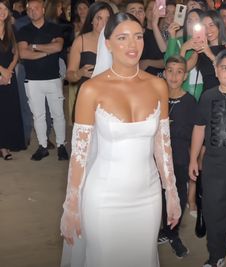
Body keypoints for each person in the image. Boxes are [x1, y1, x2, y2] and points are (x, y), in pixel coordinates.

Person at [60, 12, 181, 267]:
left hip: (147, 197)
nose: (133, 45)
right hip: (104, 198)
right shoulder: (91, 90)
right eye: (123, 38)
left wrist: (171, 192)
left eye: (138, 37)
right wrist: (71, 205)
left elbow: (163, 145)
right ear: (108, 44)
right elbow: (80, 154)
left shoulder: (158, 86)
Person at [189, 48, 226, 267]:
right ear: (216, 71)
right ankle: (216, 255)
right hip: (213, 168)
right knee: (214, 213)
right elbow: (199, 128)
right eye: (224, 68)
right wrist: (193, 159)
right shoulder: (208, 96)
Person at [17, 0, 68, 161]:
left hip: (53, 78)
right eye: (29, 9)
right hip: (32, 80)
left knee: (58, 114)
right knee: (38, 115)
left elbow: (58, 48)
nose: (32, 11)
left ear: (43, 10)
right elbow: (23, 54)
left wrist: (33, 46)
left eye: (36, 8)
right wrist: (47, 50)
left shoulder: (55, 28)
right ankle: (43, 146)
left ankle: (61, 146)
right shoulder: (23, 30)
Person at [158, 55, 196, 258]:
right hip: (155, 158)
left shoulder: (190, 102)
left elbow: (196, 137)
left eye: (179, 71)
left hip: (179, 157)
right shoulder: (156, 96)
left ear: (185, 76)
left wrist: (194, 161)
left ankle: (172, 233)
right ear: (164, 73)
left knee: (178, 194)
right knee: (157, 195)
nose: (173, 75)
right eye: (170, 70)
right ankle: (158, 229)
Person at [66, 2, 113, 124]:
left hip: (111, 96)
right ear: (91, 20)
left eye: (108, 18)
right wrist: (80, 73)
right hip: (87, 96)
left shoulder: (116, 41)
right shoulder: (80, 41)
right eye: (99, 18)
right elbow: (69, 75)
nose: (104, 23)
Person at [0, 0, 26, 159]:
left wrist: (9, 70)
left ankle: (4, 147)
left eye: (4, 8)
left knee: (7, 112)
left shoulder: (11, 29)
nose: (2, 11)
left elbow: (16, 52)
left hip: (9, 75)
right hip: (2, 71)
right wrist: (2, 70)